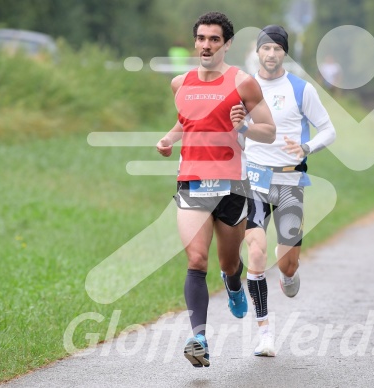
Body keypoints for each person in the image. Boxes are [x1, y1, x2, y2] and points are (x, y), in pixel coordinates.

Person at [156, 11, 276, 368]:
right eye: (201, 39)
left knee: (228, 262)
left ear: (226, 45)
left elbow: (268, 129)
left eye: (214, 40)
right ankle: (199, 338)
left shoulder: (243, 83)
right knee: (196, 260)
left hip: (232, 185)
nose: (206, 45)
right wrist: (169, 138)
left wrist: (244, 127)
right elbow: (186, 119)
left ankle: (234, 284)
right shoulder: (181, 83)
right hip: (192, 181)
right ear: (195, 42)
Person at [237, 25, 336, 357]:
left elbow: (329, 130)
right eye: (266, 48)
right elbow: (232, 131)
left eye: (277, 49)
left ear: (284, 53)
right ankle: (264, 333)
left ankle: (289, 277)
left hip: (291, 182)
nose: (271, 54)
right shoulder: (244, 87)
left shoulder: (300, 89)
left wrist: (307, 147)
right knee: (255, 253)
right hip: (254, 180)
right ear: (258, 52)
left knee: (287, 264)